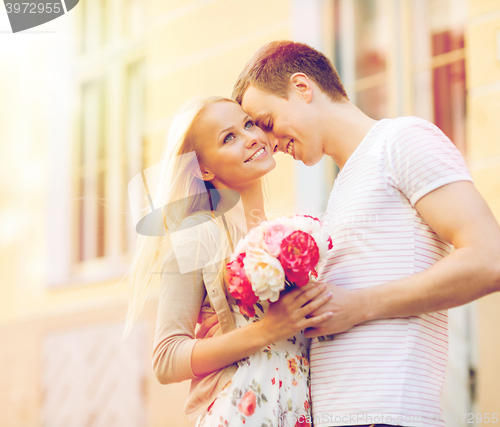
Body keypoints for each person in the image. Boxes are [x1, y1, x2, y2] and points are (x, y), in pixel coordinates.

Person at [228, 41, 500, 427]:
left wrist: (360, 305)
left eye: (268, 122)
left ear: (303, 87)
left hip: (389, 416)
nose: (269, 143)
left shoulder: (400, 140)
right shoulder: (343, 187)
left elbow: (490, 258)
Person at [123, 96, 333, 426]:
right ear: (204, 169)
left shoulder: (293, 235)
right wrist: (266, 330)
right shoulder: (199, 236)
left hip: (296, 411)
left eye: (248, 124)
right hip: (239, 412)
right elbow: (166, 358)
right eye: (229, 137)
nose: (251, 137)